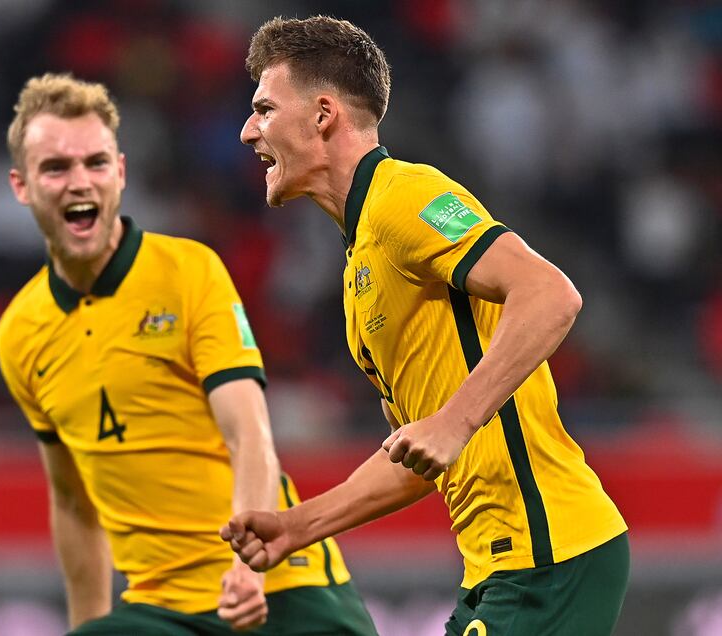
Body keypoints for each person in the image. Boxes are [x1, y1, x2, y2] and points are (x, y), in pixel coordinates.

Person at [221, 16, 630, 636]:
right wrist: (299, 526)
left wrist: (454, 421)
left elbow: (550, 293)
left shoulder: (403, 198)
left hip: (549, 554)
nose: (249, 131)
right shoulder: (361, 263)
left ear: (324, 114)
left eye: (264, 109)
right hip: (498, 567)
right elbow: (416, 457)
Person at [0, 73, 377, 636]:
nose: (80, 182)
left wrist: (245, 569)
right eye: (56, 168)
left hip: (280, 586)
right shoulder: (19, 332)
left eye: (95, 163)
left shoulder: (187, 271)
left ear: (120, 173)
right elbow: (74, 506)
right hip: (160, 610)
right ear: (22, 185)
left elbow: (249, 434)